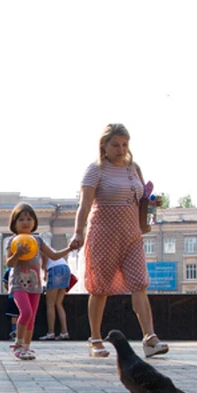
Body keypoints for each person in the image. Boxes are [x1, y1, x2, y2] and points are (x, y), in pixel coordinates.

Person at [69, 123, 169, 358]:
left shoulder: (133, 168)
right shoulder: (95, 170)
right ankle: (95, 339)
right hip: (104, 234)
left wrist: (152, 202)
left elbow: (141, 197)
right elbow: (84, 206)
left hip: (131, 234)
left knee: (139, 283)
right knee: (99, 288)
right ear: (103, 145)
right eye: (115, 144)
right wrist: (78, 232)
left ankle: (149, 338)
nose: (121, 149)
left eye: (125, 144)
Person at [6, 202, 73, 360]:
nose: (26, 222)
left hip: (35, 285)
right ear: (14, 223)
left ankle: (27, 347)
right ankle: (18, 344)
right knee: (26, 312)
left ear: (34, 222)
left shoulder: (38, 241)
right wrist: (17, 253)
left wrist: (70, 248)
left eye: (29, 219)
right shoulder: (13, 241)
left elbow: (54, 256)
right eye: (21, 219)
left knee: (32, 317)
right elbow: (9, 263)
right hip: (18, 284)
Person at [38, 254, 71, 341]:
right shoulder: (51, 248)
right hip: (66, 268)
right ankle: (64, 332)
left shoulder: (40, 246)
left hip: (55, 269)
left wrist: (44, 274)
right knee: (58, 303)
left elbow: (44, 263)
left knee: (50, 303)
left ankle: (51, 333)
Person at [2, 268, 18, 340]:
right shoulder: (25, 268)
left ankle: (14, 331)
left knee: (14, 315)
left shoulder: (9, 270)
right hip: (20, 296)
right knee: (18, 314)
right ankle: (17, 332)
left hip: (12, 296)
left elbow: (5, 283)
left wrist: (10, 290)